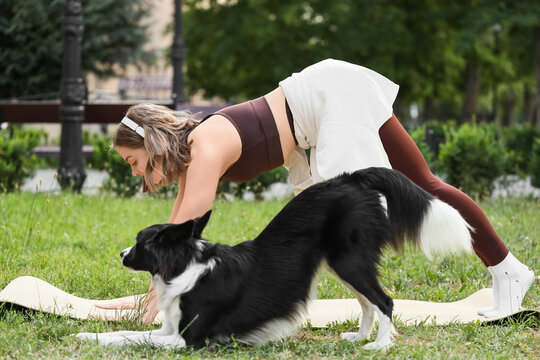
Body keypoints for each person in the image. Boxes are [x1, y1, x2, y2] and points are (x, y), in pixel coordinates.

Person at [96, 59, 534, 324]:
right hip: (333, 90)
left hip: (331, 97)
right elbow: (175, 229)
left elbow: (182, 236)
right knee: (424, 185)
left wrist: (157, 296)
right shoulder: (196, 155)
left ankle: (386, 315)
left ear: (152, 145)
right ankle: (509, 271)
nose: (139, 177)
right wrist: (151, 293)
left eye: (134, 163)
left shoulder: (204, 146)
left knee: (347, 214)